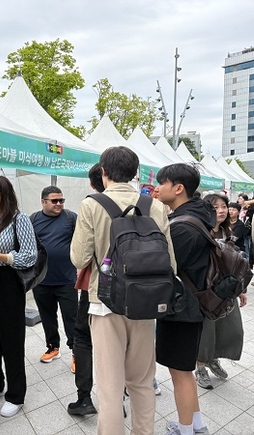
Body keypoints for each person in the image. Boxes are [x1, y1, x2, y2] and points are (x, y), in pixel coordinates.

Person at [70, 146, 176, 435]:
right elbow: (171, 263)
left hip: (105, 303)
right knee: (142, 382)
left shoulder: (91, 204)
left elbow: (79, 258)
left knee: (110, 387)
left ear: (104, 172)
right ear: (134, 173)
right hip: (146, 303)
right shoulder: (155, 206)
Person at [154, 163, 213, 435]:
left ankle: (185, 429)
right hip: (193, 305)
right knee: (184, 371)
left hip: (182, 308)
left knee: (180, 374)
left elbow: (165, 266)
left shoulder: (182, 227)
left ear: (178, 188)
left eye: (162, 183)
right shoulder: (197, 216)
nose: (157, 188)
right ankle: (196, 423)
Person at [0, 176, 37, 418]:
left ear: (4, 194)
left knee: (11, 339)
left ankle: (16, 394)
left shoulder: (19, 219)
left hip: (8, 281)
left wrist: (1, 257)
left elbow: (30, 255)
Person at [194, 194, 247, 391]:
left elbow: (236, 264)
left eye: (224, 206)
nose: (222, 210)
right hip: (208, 291)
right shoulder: (200, 231)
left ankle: (212, 359)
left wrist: (240, 290)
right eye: (216, 207)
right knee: (207, 330)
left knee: (228, 328)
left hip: (227, 290)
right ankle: (201, 366)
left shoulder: (228, 232)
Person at [67, 163, 103, 416]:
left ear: (92, 183)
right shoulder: (147, 204)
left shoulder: (91, 205)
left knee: (83, 337)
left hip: (97, 285)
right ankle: (118, 397)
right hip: (135, 287)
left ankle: (84, 397)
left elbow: (80, 257)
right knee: (122, 343)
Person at [30, 186, 78, 368]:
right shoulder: (33, 219)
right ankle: (53, 347)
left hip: (67, 279)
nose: (59, 204)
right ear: (43, 202)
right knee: (47, 317)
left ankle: (76, 353)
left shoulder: (71, 218)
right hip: (41, 280)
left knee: (72, 319)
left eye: (61, 200)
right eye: (54, 201)